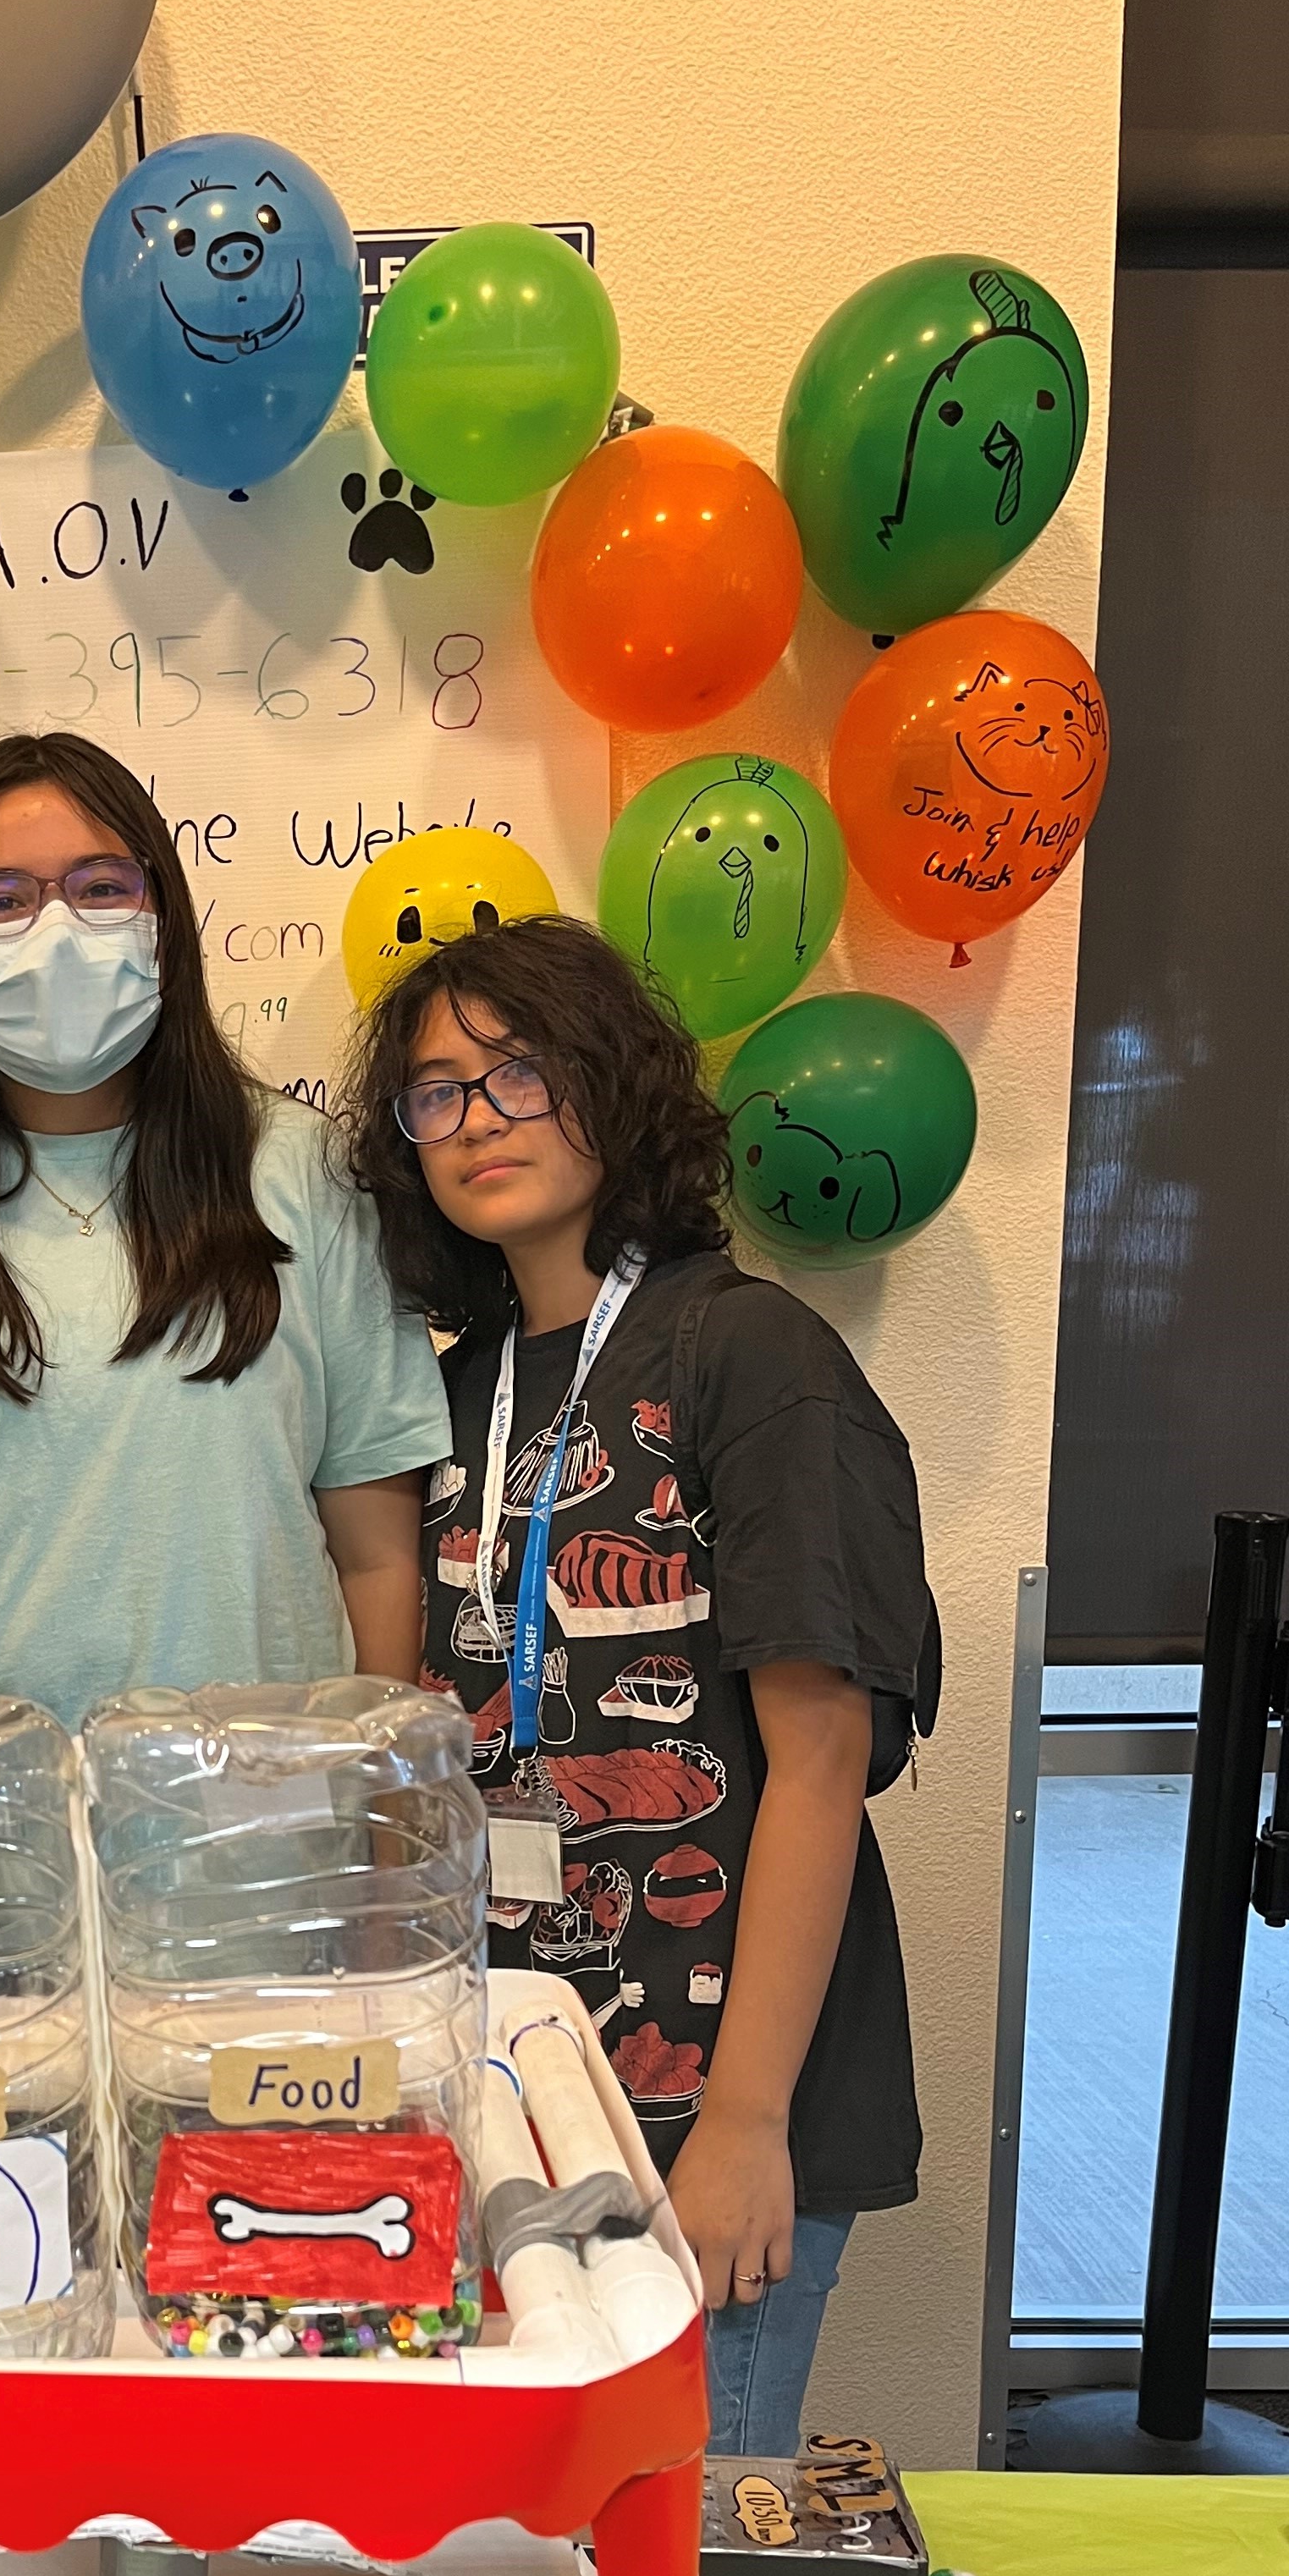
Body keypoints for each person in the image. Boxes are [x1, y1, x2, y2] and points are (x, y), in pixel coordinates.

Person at [339, 917, 930, 2455]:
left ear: (611, 1082)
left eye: (515, 1072)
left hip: (712, 2091)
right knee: (526, 2544)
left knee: (673, 2533)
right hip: (513, 2079)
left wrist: (740, 2121)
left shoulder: (750, 1357)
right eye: (433, 1093)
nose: (474, 1118)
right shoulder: (450, 1388)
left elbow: (816, 1759)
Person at [0, 731, 449, 1731]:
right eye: (2, 900)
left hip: (275, 1827)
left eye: (100, 888)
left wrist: (383, 1803)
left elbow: (377, 1545)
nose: (56, 931)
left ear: (165, 916)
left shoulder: (302, 1169)